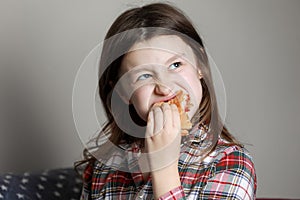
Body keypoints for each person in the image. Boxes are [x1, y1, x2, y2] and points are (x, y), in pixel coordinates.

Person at [76, 2, 257, 199]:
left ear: (200, 65)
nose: (164, 87)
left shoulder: (229, 163)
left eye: (176, 64)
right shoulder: (105, 167)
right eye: (144, 76)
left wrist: (164, 169)